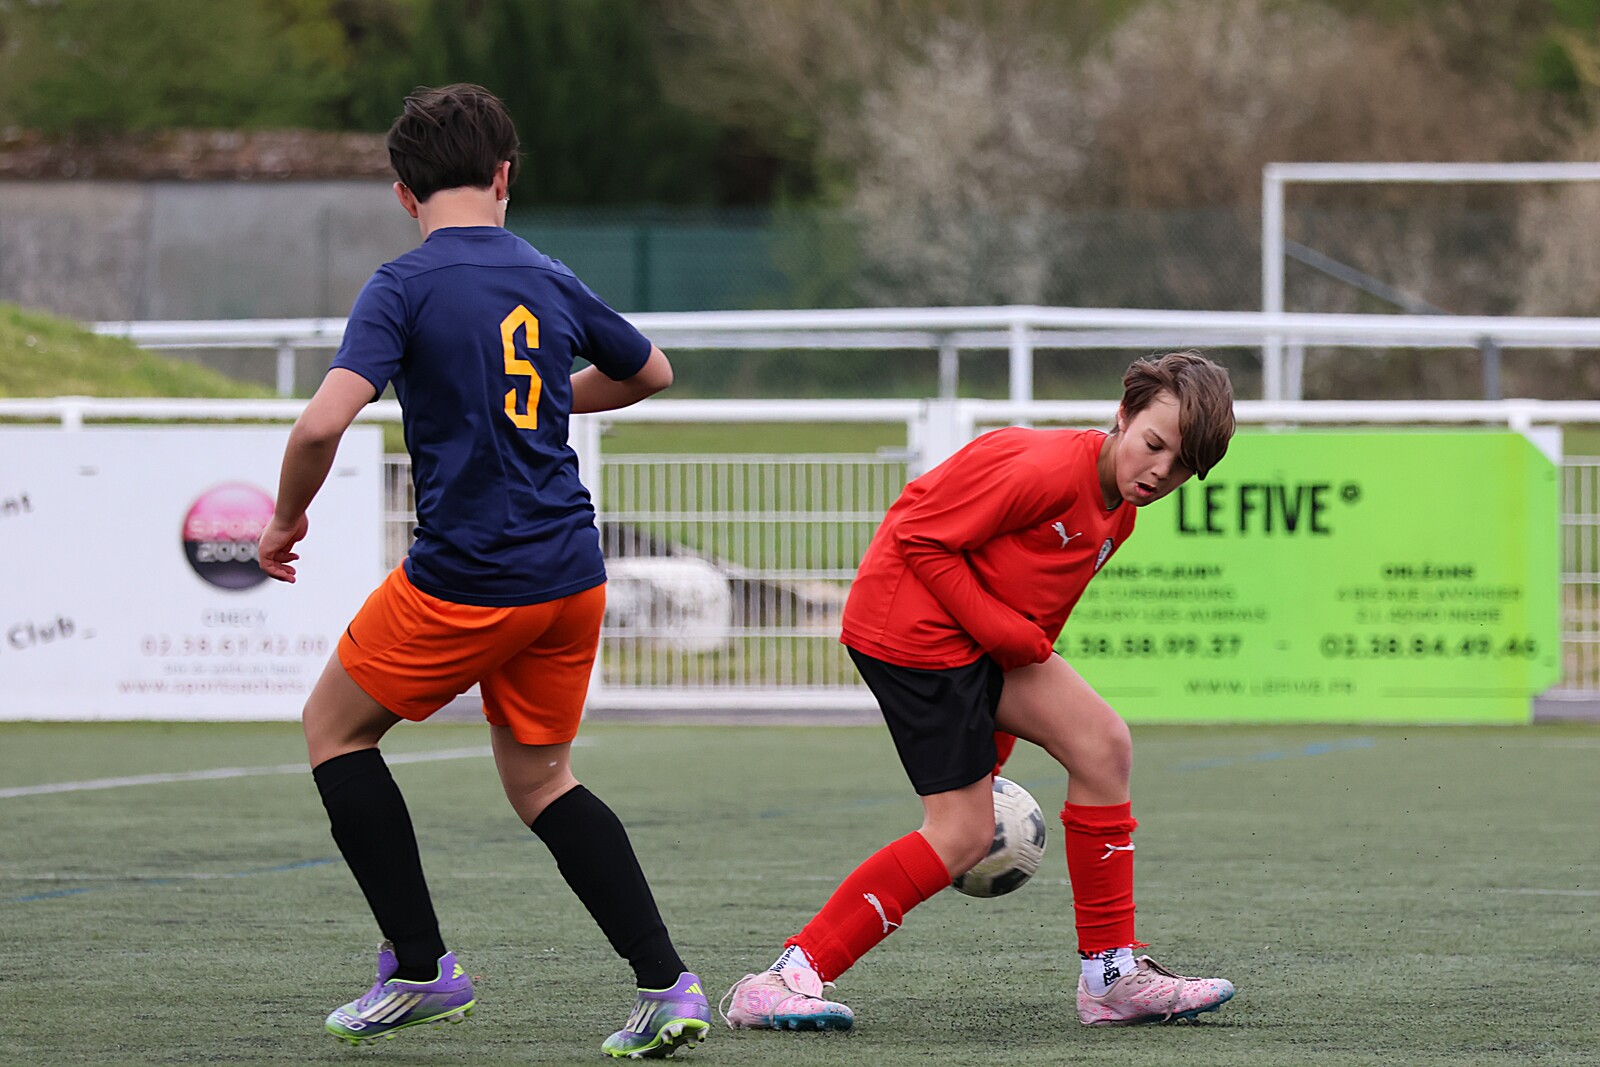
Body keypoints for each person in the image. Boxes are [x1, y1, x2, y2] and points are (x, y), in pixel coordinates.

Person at [257, 84, 710, 1059]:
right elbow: (651, 370)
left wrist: (285, 519)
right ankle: (667, 983)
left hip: (468, 578)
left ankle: (421, 967)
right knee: (544, 780)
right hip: (571, 574)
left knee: (334, 729)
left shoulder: (402, 284)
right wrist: (539, 400)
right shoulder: (545, 273)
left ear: (402, 193)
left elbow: (322, 423)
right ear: (505, 176)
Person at [721, 351, 1238, 1032]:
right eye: (1154, 445)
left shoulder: (1120, 513)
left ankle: (1111, 979)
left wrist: (992, 752)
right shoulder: (1042, 469)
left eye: (1181, 466)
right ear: (1123, 414)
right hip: (909, 633)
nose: (1160, 472)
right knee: (962, 834)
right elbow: (918, 536)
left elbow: (1035, 622)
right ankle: (781, 979)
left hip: (974, 636)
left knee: (1103, 746)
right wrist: (1004, 634)